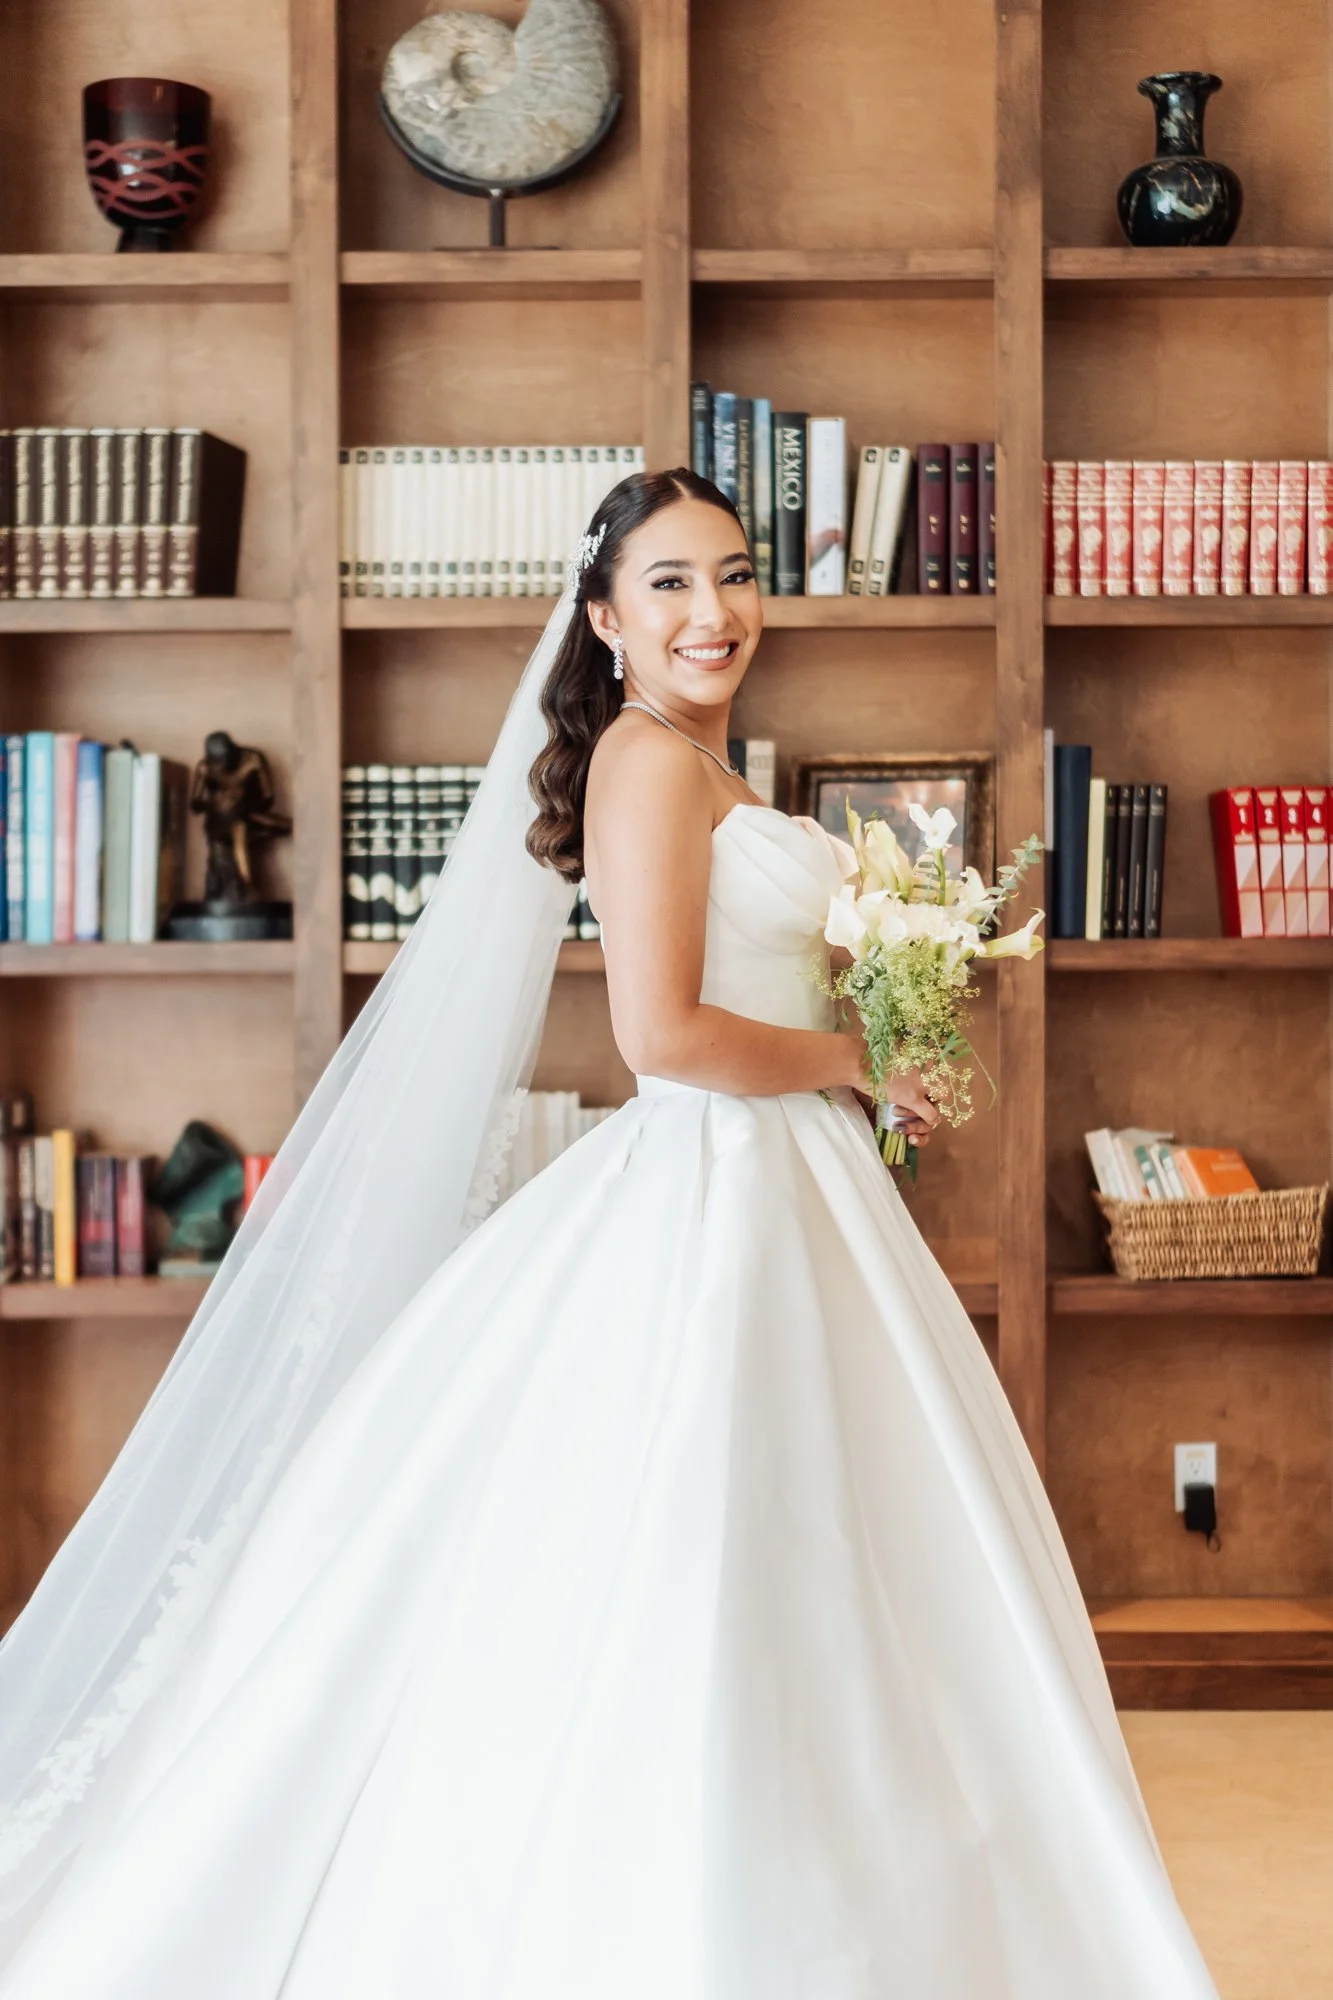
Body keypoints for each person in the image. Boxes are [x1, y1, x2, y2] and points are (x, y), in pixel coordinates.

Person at [0, 469, 1221, 1998]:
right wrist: (860, 1059)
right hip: (712, 1185)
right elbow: (661, 1037)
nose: (713, 612)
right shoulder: (648, 763)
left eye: (734, 574)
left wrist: (872, 1019)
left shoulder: (707, 766)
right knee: (714, 1543)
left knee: (826, 1551)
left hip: (787, 1185)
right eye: (669, 586)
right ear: (605, 621)